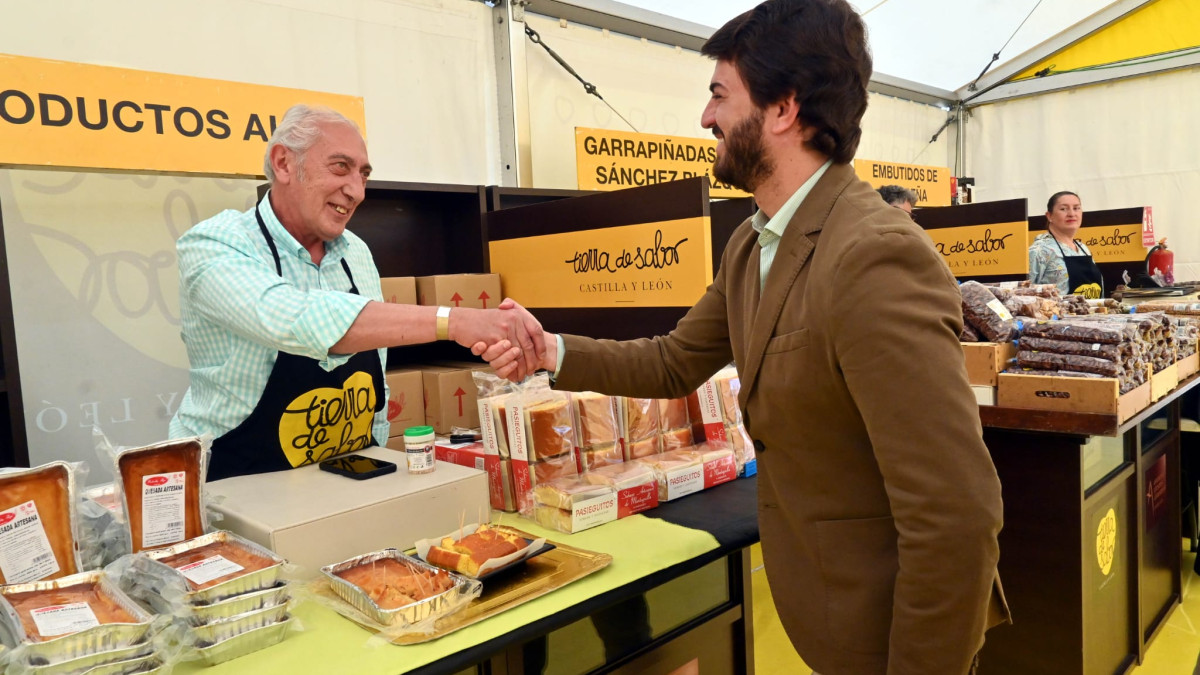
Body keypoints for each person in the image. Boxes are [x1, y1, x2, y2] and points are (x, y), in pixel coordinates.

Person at [483, 1, 1009, 672]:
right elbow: (673, 361)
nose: (706, 118)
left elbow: (956, 515)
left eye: (719, 94)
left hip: (887, 630)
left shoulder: (874, 255)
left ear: (784, 107)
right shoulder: (749, 243)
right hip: (826, 616)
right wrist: (547, 350)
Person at [170, 104, 542, 481]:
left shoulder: (357, 254)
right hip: (238, 486)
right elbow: (296, 319)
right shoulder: (215, 244)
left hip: (345, 481)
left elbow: (373, 384)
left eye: (363, 174)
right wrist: (458, 321)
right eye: (340, 167)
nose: (357, 191)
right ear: (283, 163)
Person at [1028, 191, 1103, 298]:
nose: (1072, 214)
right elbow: (1024, 294)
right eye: (1063, 209)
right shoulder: (1039, 250)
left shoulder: (1083, 248)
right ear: (1049, 216)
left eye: (1076, 208)